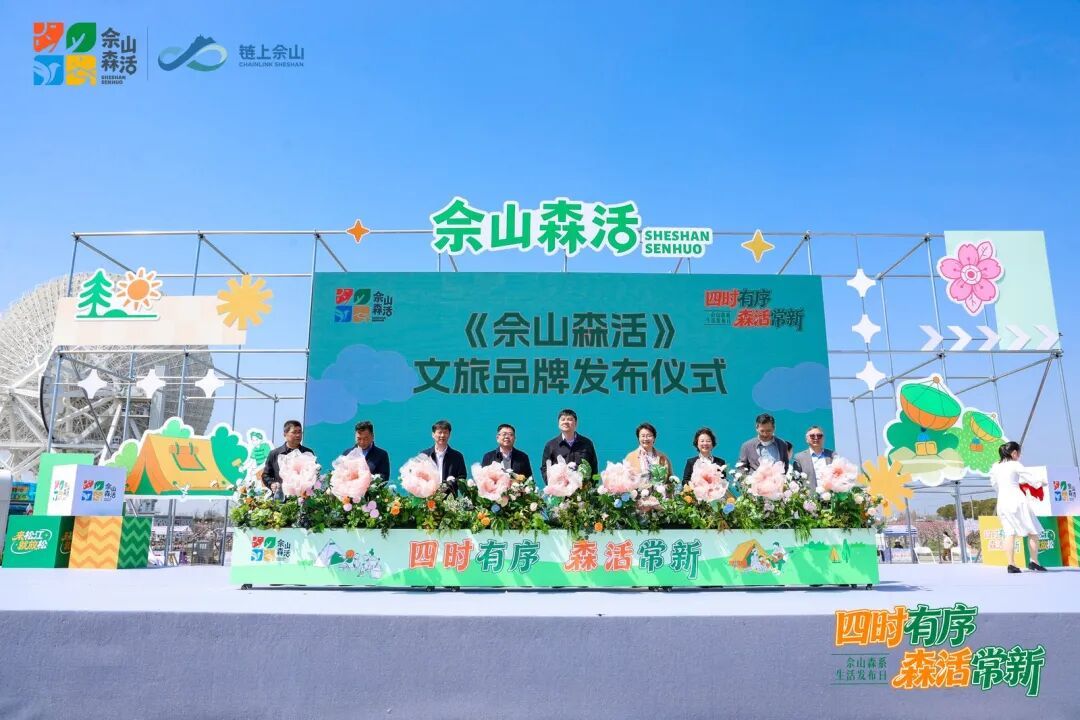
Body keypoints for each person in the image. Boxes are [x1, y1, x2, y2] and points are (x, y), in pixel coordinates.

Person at [990, 441, 1047, 574]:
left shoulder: (995, 466)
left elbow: (994, 484)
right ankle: (1034, 562)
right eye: (1019, 453)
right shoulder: (1015, 464)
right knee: (1033, 531)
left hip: (1002, 502)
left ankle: (1011, 564)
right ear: (1014, 453)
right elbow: (1031, 478)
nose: (1020, 456)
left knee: (1009, 533)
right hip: (1017, 501)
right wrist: (1042, 482)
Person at [540, 408, 599, 482]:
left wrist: (591, 485)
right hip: (560, 488)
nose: (566, 422)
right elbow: (545, 468)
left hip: (582, 488)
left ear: (576, 423)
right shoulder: (551, 445)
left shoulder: (587, 443)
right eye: (563, 419)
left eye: (569, 419)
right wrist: (553, 484)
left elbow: (594, 467)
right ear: (558, 423)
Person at [261, 420, 315, 497]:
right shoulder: (275, 454)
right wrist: (271, 484)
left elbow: (314, 474)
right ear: (285, 434)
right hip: (281, 498)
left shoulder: (307, 453)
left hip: (303, 497)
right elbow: (266, 475)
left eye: (300, 432)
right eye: (294, 432)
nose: (298, 435)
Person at [421, 419, 467, 495]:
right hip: (429, 498)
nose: (442, 435)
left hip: (450, 498)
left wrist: (449, 484)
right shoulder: (424, 455)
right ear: (433, 434)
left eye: (445, 433)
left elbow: (462, 478)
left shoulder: (457, 456)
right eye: (439, 432)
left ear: (449, 435)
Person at [793, 425, 835, 491]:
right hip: (810, 496)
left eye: (819, 436)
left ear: (823, 438)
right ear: (807, 439)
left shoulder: (832, 455)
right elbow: (796, 481)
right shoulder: (799, 458)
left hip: (831, 495)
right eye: (812, 436)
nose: (816, 438)